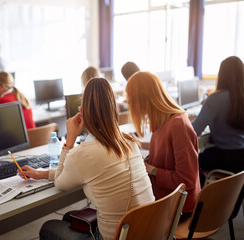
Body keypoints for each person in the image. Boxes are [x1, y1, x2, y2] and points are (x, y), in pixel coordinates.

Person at [18, 78, 155, 240]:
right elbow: (81, 171)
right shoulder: (129, 141)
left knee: (48, 228)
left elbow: (61, 183)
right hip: (150, 230)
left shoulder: (83, 153)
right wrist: (41, 174)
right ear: (113, 108)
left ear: (83, 111)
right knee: (70, 216)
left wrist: (70, 141)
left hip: (117, 236)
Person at [125, 71, 201, 219]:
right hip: (166, 198)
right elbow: (165, 148)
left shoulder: (178, 126)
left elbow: (186, 181)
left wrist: (152, 170)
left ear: (143, 99)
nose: (130, 106)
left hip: (178, 207)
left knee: (125, 217)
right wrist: (140, 143)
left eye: (130, 102)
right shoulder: (164, 120)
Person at [192, 56, 244, 178]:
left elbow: (194, 131)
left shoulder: (216, 99)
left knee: (190, 161)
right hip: (241, 158)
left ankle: (198, 194)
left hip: (226, 158)